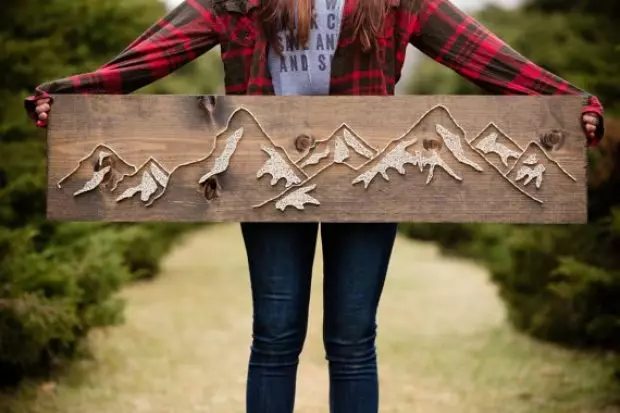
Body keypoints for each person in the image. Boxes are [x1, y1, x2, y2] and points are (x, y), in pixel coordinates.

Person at [25, 0, 604, 412]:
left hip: (369, 177)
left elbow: (482, 55)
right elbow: (156, 52)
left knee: (353, 340)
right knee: (275, 335)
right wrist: (70, 96)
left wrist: (569, 102)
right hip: (268, 178)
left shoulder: (398, 1)